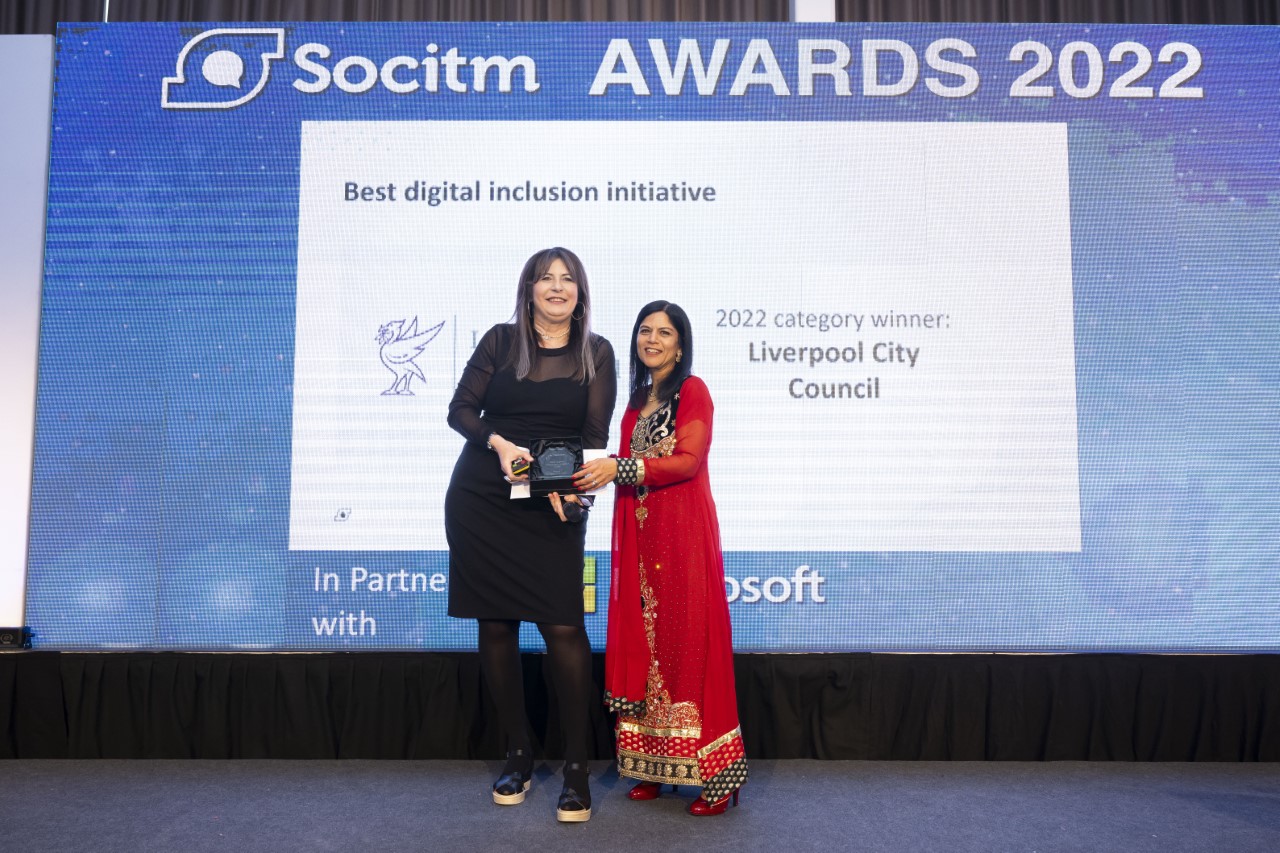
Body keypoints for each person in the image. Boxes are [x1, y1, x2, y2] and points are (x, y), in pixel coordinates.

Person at [445, 247, 616, 823]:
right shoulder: (499, 341)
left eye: (568, 279)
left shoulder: (597, 353)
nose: (558, 287)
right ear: (529, 289)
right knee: (495, 624)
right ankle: (516, 753)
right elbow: (461, 411)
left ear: (580, 293)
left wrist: (569, 492)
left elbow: (594, 435)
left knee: (564, 627)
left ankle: (575, 767)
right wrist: (499, 445)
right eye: (547, 279)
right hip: (484, 497)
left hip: (555, 500)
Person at [574, 300, 747, 816]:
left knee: (691, 646)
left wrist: (618, 468)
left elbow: (688, 461)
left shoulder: (692, 392)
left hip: (683, 537)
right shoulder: (635, 400)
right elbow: (617, 466)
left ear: (681, 343)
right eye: (644, 331)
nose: (652, 340)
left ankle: (717, 778)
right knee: (648, 649)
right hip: (644, 545)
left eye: (664, 333)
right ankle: (653, 765)